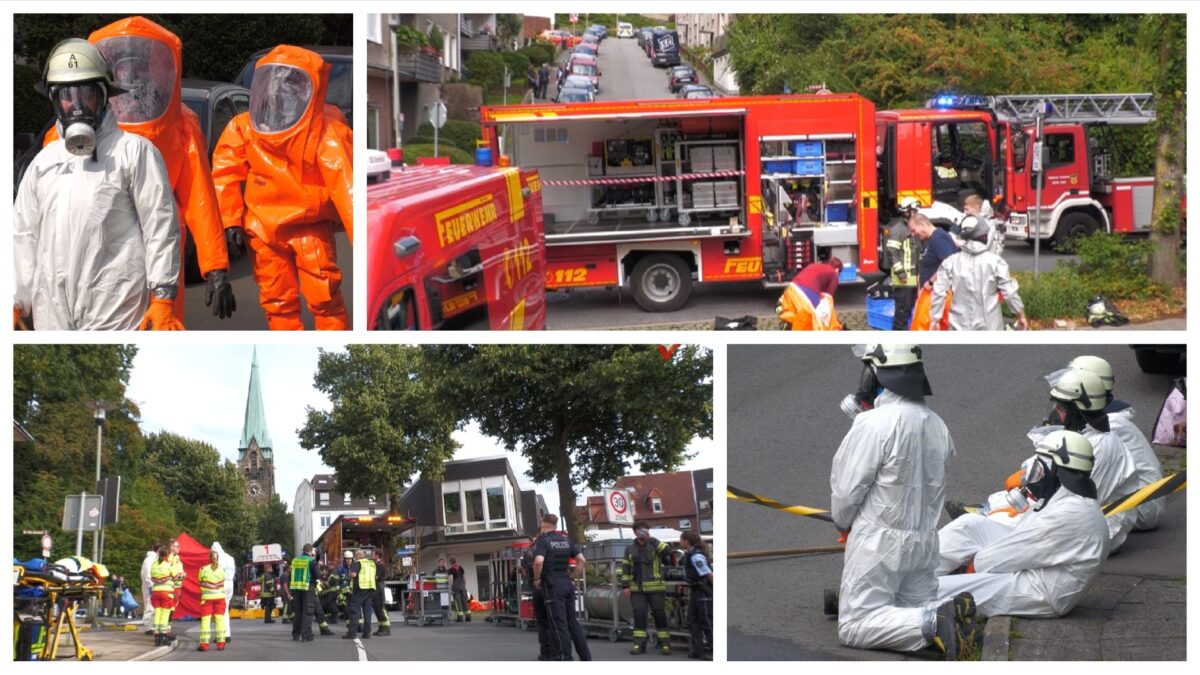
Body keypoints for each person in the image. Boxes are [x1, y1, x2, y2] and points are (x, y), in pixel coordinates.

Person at [41, 17, 236, 324]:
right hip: (88, 256)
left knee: (161, 324)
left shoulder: (182, 126)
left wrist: (215, 266)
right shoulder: (65, 136)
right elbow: (37, 215)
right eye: (123, 70)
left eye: (138, 70)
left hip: (159, 254)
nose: (131, 78)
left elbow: (200, 197)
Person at [13, 38, 183, 331]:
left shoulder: (134, 152)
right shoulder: (43, 163)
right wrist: (14, 302)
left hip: (116, 312)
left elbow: (160, 225)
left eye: (86, 93)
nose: (76, 104)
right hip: (51, 315)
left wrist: (163, 296)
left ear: (104, 95)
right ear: (54, 100)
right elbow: (22, 235)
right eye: (66, 95)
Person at [830, 344, 972, 660]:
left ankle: (935, 622)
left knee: (855, 624)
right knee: (908, 611)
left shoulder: (872, 424)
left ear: (877, 372)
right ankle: (938, 622)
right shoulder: (937, 423)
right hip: (923, 541)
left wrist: (843, 522)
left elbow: (847, 491)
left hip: (878, 541)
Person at [211, 45, 353, 330]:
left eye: (287, 88)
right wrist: (230, 223)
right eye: (273, 86)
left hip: (305, 228)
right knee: (279, 304)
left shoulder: (326, 133)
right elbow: (224, 172)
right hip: (268, 231)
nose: (278, 95)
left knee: (323, 302)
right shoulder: (247, 128)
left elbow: (347, 189)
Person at [935, 430, 1109, 618]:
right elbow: (1020, 542)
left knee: (937, 590)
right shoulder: (1068, 499)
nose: (1034, 476)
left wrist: (969, 566)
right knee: (970, 525)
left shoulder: (1071, 513)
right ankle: (913, 568)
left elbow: (999, 558)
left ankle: (914, 601)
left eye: (1039, 469)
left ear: (1056, 470)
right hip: (1037, 567)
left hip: (1039, 590)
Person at [930, 215, 1028, 331]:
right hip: (990, 328)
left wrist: (935, 319)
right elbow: (1009, 293)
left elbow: (939, 292)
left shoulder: (950, 262)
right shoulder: (995, 262)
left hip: (958, 328)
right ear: (984, 236)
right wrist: (1020, 315)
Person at [532, 514, 591, 661]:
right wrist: (572, 577)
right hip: (567, 583)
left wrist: (537, 578)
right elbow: (582, 560)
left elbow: (538, 561)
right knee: (572, 622)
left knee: (559, 624)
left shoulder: (543, 542)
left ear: (543, 525)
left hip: (553, 585)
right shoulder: (566, 540)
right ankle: (586, 657)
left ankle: (564, 658)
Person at [622, 520, 673, 655]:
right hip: (637, 589)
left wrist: (651, 539)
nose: (641, 531)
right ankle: (639, 644)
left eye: (644, 529)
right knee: (639, 614)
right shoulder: (630, 549)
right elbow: (625, 568)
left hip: (655, 587)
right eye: (639, 529)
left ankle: (665, 644)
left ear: (648, 530)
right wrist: (626, 586)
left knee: (659, 614)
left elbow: (668, 552)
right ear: (635, 532)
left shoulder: (655, 544)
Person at [908, 214, 958, 330]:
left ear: (922, 225)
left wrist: (931, 282)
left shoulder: (938, 238)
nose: (913, 234)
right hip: (933, 295)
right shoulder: (933, 239)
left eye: (914, 230)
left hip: (937, 295)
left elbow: (948, 263)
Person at [776, 258, 844, 331]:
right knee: (814, 321)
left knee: (794, 316)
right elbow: (828, 298)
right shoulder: (834, 274)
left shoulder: (814, 265)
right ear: (837, 270)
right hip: (805, 295)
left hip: (791, 289)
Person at [887, 197, 922, 329]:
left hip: (912, 280)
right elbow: (891, 253)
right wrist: (901, 273)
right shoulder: (898, 230)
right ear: (908, 212)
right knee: (901, 315)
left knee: (908, 313)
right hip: (903, 281)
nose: (916, 213)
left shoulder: (911, 228)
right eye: (914, 211)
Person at [680, 532, 714, 660]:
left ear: (686, 541)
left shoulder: (695, 556)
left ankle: (713, 650)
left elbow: (709, 574)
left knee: (706, 621)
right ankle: (698, 650)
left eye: (681, 540)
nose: (680, 542)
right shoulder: (690, 554)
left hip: (703, 591)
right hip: (696, 591)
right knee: (692, 621)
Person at [522, 533, 553, 660]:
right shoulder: (547, 547)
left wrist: (534, 579)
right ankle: (555, 651)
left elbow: (524, 570)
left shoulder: (528, 551)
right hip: (549, 586)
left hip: (535, 587)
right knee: (553, 620)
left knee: (542, 622)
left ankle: (545, 652)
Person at [197, 549, 228, 652]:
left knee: (206, 621)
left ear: (209, 558)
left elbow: (200, 581)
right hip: (220, 598)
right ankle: (221, 644)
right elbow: (223, 581)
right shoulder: (222, 569)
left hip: (207, 599)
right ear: (217, 558)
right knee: (220, 620)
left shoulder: (203, 569)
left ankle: (204, 645)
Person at [343, 550, 376, 640]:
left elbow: (353, 574)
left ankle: (352, 633)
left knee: (353, 610)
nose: (354, 558)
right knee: (367, 611)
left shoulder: (358, 563)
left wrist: (349, 574)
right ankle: (367, 633)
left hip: (360, 589)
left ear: (358, 556)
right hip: (370, 589)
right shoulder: (371, 563)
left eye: (355, 556)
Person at [149, 545, 177, 646]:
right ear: (167, 555)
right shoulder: (168, 565)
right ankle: (163, 636)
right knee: (165, 615)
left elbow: (151, 576)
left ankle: (157, 637)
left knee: (157, 613)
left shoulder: (154, 564)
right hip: (166, 593)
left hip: (155, 593)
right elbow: (176, 576)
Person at [210, 541, 236, 644]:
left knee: (219, 611)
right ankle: (227, 634)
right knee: (225, 611)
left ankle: (220, 634)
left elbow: (215, 574)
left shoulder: (217, 558)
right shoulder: (230, 558)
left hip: (221, 585)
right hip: (230, 585)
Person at [289, 544, 317, 641]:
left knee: (298, 612)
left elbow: (290, 575)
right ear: (310, 551)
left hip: (296, 589)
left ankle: (295, 634)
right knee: (308, 612)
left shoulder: (295, 560)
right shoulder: (311, 561)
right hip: (307, 588)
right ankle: (306, 635)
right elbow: (317, 575)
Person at [370, 550, 391, 635]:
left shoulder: (380, 565)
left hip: (379, 588)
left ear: (377, 556)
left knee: (381, 608)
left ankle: (386, 629)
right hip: (376, 588)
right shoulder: (375, 565)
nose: (371, 555)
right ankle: (381, 628)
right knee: (377, 609)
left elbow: (376, 577)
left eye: (373, 554)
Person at [140, 544, 158, 633]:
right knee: (149, 606)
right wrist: (151, 585)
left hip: (153, 585)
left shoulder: (154, 559)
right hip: (149, 586)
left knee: (153, 606)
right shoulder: (150, 560)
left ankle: (151, 625)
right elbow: (147, 574)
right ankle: (148, 627)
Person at [448, 557, 470, 622]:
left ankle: (460, 618)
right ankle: (468, 617)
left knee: (458, 602)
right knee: (465, 602)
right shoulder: (460, 568)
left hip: (456, 588)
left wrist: (451, 588)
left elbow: (451, 580)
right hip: (462, 587)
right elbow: (464, 578)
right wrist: (464, 586)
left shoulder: (450, 570)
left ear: (450, 562)